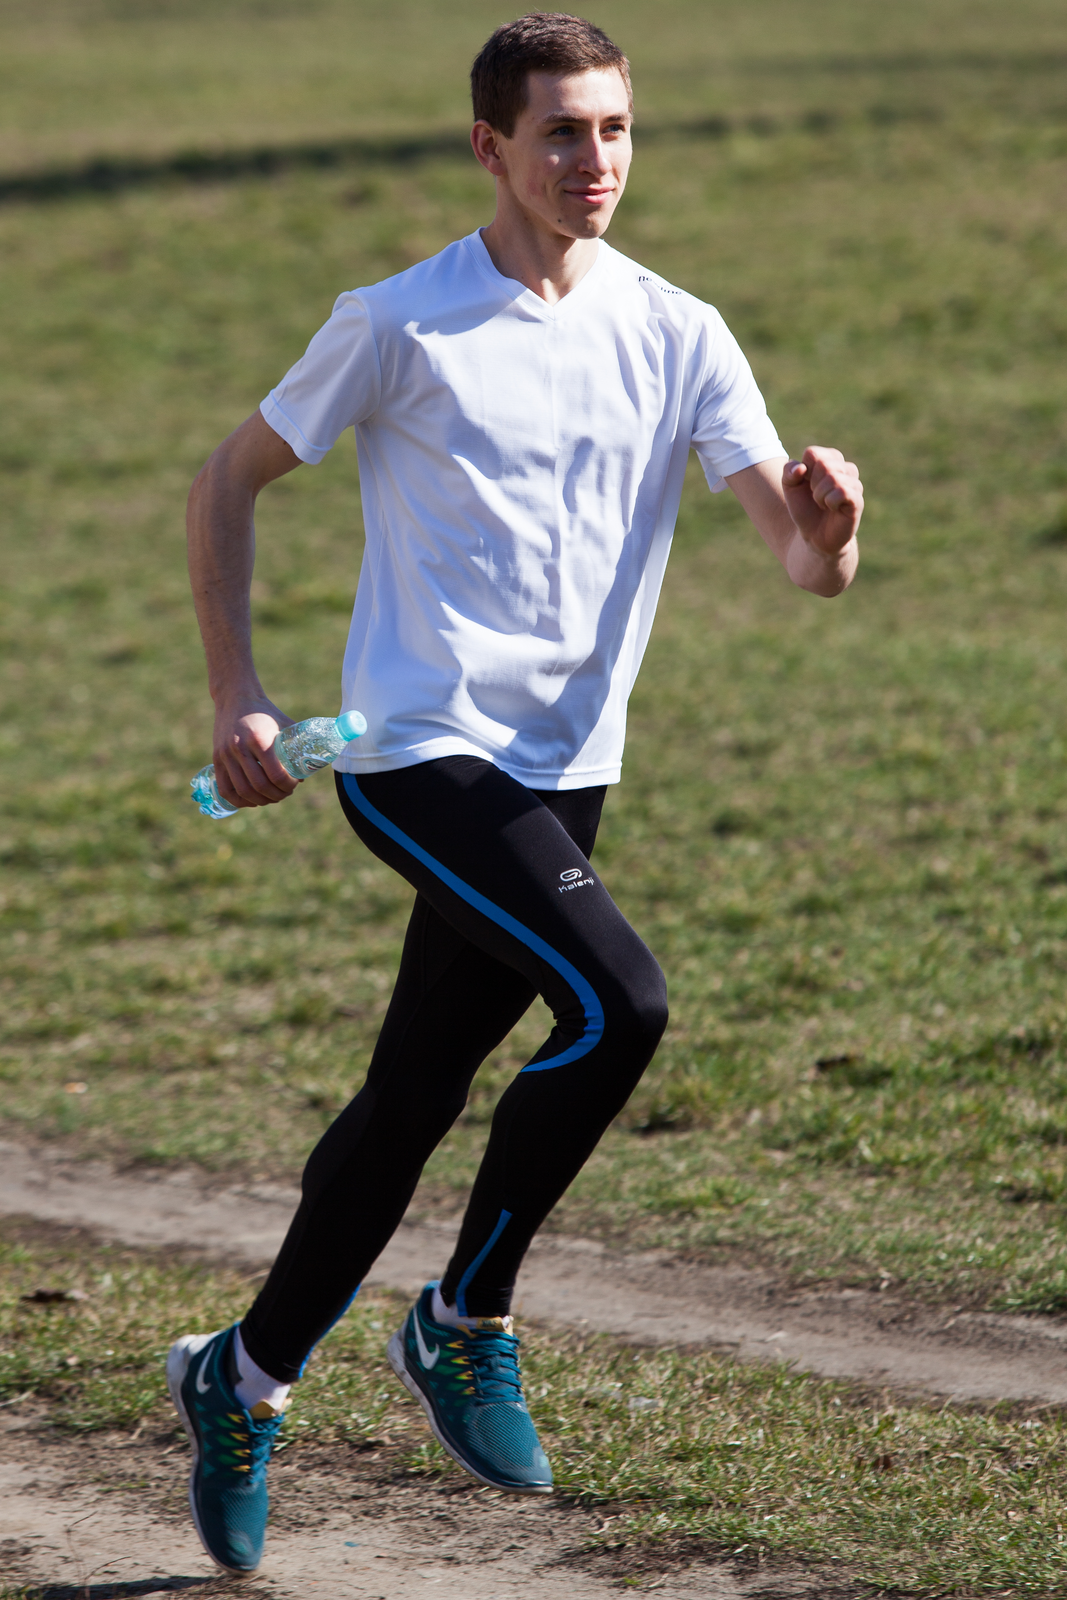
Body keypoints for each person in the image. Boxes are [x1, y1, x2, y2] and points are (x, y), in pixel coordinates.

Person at [167, 10, 863, 1576]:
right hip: (417, 755)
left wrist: (831, 528)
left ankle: (243, 1376)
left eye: (613, 129)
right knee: (624, 1005)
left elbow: (801, 568)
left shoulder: (681, 330)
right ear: (489, 146)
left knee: (412, 1096)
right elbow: (226, 478)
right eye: (559, 132)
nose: (592, 160)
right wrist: (239, 698)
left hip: (568, 770)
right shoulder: (400, 322)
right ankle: (462, 1315)